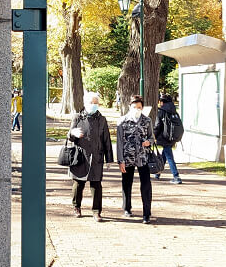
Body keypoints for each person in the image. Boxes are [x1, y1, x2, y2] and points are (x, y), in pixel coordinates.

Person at [68, 91, 115, 221]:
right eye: (91, 102)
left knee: (96, 185)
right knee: (78, 183)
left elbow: (107, 140)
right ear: (85, 103)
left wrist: (109, 159)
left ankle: (96, 211)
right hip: (80, 156)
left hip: (96, 156)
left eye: (96, 103)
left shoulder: (102, 119)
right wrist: (73, 133)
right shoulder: (77, 117)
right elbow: (69, 136)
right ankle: (76, 207)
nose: (93, 105)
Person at [116, 95, 155, 223]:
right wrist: (120, 160)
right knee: (127, 183)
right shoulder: (122, 121)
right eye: (134, 107)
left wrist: (148, 142)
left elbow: (151, 137)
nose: (137, 109)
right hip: (128, 158)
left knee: (146, 185)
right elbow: (120, 142)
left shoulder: (147, 121)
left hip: (143, 158)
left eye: (139, 107)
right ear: (130, 107)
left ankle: (146, 213)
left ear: (142, 108)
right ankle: (127, 207)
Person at [152, 93, 183, 184]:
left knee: (169, 157)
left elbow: (158, 125)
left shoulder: (161, 111)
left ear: (162, 102)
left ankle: (176, 176)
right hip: (172, 137)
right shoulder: (174, 111)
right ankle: (158, 173)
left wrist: (153, 135)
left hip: (165, 137)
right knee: (164, 155)